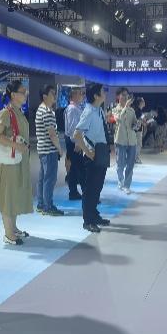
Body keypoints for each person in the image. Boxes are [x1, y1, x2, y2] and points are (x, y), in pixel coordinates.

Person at [0, 80, 33, 245]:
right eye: (22, 91)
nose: (25, 94)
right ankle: (8, 234)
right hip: (9, 162)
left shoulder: (18, 112)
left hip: (18, 160)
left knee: (14, 194)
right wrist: (16, 145)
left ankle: (13, 228)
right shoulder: (6, 113)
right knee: (8, 196)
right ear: (13, 95)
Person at [73, 83, 111, 233]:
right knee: (90, 189)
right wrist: (88, 152)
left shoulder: (99, 110)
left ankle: (94, 215)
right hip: (93, 155)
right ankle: (88, 221)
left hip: (101, 152)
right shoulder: (89, 111)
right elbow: (77, 134)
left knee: (97, 187)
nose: (105, 93)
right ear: (96, 95)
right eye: (102, 91)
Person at [35, 84, 64, 216]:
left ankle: (41, 204)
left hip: (42, 150)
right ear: (45, 96)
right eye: (52, 93)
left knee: (43, 178)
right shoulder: (47, 112)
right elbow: (52, 134)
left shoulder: (40, 110)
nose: (55, 96)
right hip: (49, 150)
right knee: (49, 179)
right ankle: (48, 206)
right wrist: (59, 149)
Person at [113, 87, 137, 194]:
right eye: (123, 94)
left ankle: (127, 185)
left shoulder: (132, 110)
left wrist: (137, 124)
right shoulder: (115, 109)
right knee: (120, 164)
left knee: (130, 164)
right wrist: (125, 107)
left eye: (127, 95)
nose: (125, 97)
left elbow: (135, 123)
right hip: (120, 140)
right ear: (118, 96)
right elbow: (119, 119)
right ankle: (120, 181)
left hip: (132, 140)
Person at [64, 87, 85, 201]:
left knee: (75, 168)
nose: (82, 96)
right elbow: (73, 127)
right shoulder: (72, 109)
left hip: (75, 141)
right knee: (78, 168)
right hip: (74, 142)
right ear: (74, 96)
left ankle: (74, 192)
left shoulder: (75, 108)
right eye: (80, 94)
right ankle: (80, 192)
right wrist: (77, 142)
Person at [132, 97, 146, 164]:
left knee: (137, 144)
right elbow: (138, 120)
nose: (144, 103)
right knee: (138, 144)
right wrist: (143, 122)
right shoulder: (138, 111)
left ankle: (135, 158)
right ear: (140, 103)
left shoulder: (138, 110)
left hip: (136, 130)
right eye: (143, 101)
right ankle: (136, 158)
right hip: (137, 131)